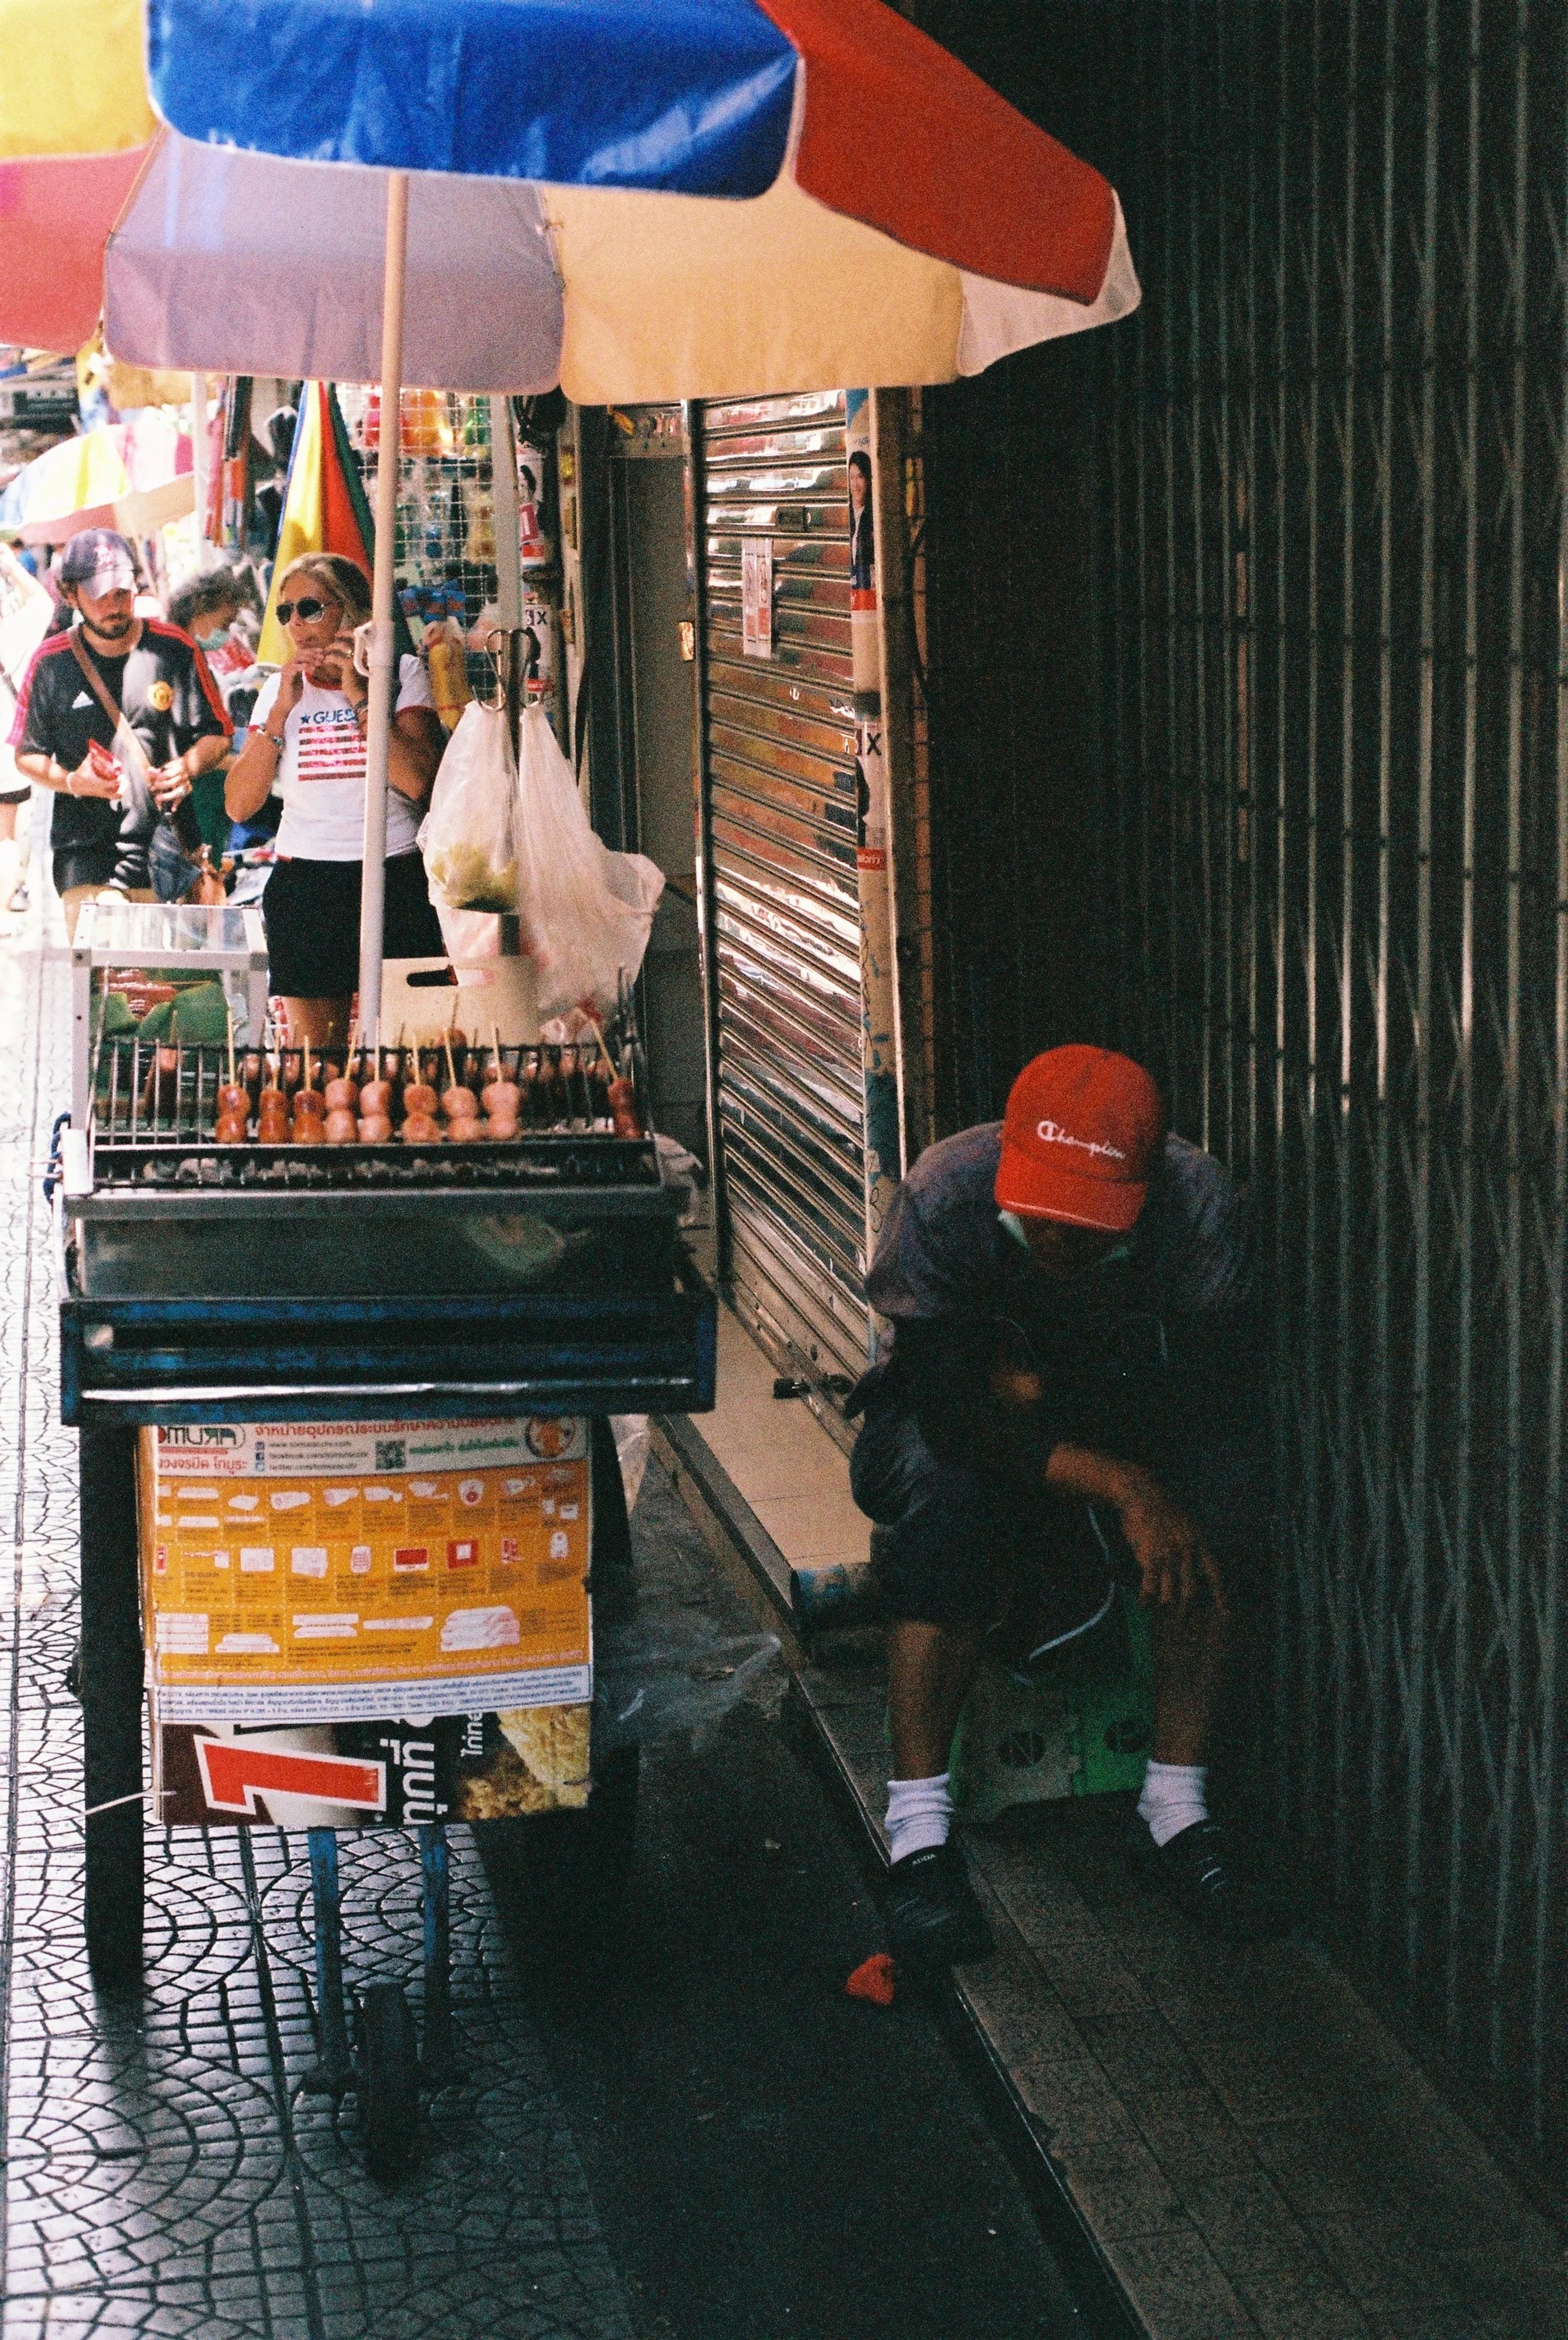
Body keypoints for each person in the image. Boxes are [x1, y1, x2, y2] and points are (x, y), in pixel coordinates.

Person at [851, 1045, 1274, 1969]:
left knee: (1224, 1505)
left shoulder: (1197, 1206)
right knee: (944, 1512)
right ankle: (918, 1836)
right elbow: (950, 1408)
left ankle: (1174, 1807)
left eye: (1083, 1228)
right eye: (1040, 1218)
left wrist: (1066, 1412)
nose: (1055, 1244)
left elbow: (1207, 1394)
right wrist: (1116, 1480)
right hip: (950, 1425)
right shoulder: (947, 1192)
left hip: (1109, 1415)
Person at [225, 551, 445, 1046]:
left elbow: (418, 781)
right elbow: (239, 805)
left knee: (414, 1056)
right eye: (286, 613)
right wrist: (279, 715)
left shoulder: (402, 673)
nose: (297, 625)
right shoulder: (279, 692)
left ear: (352, 613)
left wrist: (360, 696)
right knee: (319, 1065)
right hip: (309, 881)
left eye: (311, 608)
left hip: (395, 872)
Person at [9, 528, 231, 938]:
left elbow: (218, 734)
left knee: (171, 993)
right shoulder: (51, 663)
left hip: (168, 852)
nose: (113, 606)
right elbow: (27, 754)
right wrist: (75, 781)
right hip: (84, 858)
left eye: (121, 592)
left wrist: (188, 766)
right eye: (98, 594)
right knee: (99, 989)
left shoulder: (175, 649)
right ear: (70, 594)